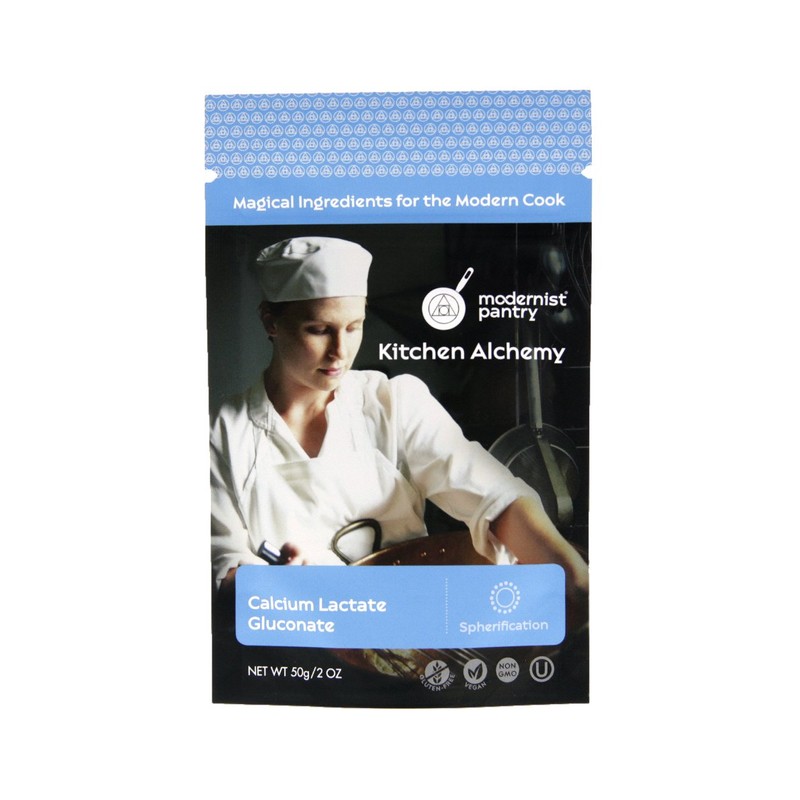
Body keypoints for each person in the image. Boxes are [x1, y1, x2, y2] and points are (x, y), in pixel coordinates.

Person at [210, 236, 588, 597]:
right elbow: (223, 569)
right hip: (297, 631)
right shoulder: (222, 432)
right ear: (270, 322)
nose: (340, 351)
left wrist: (574, 577)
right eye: (319, 330)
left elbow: (497, 500)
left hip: (407, 619)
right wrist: (277, 586)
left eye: (353, 327)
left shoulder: (394, 403)